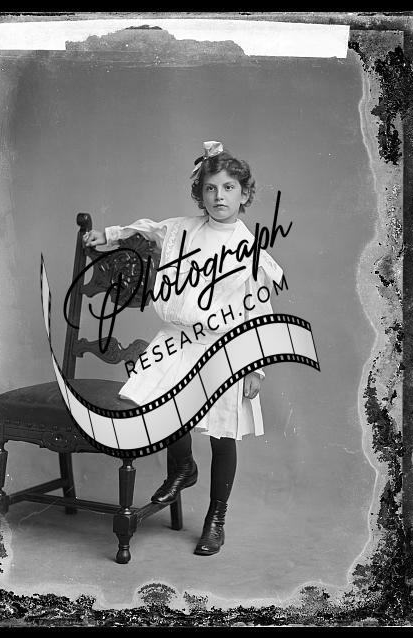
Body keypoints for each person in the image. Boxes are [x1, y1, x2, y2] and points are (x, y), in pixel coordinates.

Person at [84, 141, 283, 556]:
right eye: (210, 188)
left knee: (221, 433)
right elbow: (147, 229)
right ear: (200, 193)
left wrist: (256, 367)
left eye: (229, 188)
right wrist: (109, 234)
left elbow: (259, 311)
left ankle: (216, 517)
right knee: (166, 409)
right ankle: (183, 467)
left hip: (224, 348)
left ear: (244, 194)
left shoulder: (250, 251)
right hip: (178, 341)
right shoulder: (182, 229)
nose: (219, 196)